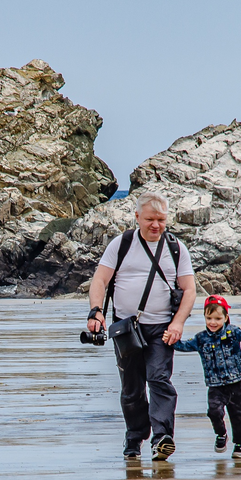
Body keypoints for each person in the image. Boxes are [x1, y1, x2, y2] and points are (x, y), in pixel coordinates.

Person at [88, 191, 197, 461]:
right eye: (150, 219)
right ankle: (135, 436)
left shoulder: (175, 248)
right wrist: (96, 312)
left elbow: (190, 289)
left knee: (159, 380)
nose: (156, 225)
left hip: (162, 329)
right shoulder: (121, 244)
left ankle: (162, 437)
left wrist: (178, 323)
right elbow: (100, 281)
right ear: (137, 217)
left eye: (161, 219)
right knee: (132, 389)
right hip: (126, 329)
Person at [172, 295, 241, 458]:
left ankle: (239, 444)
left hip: (235, 382)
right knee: (214, 411)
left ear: (226, 317)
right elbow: (184, 346)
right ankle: (221, 434)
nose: (213, 322)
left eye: (218, 318)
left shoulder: (233, 332)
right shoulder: (200, 338)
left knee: (239, 415)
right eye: (209, 318)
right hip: (215, 385)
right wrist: (170, 340)